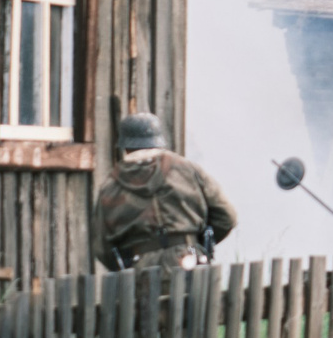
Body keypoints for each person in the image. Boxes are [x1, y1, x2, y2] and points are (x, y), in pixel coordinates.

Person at [94, 112, 236, 270]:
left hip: (141, 269)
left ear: (125, 147)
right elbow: (226, 217)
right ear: (158, 142)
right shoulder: (188, 169)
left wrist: (130, 263)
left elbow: (101, 247)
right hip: (190, 261)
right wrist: (197, 243)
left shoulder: (110, 185)